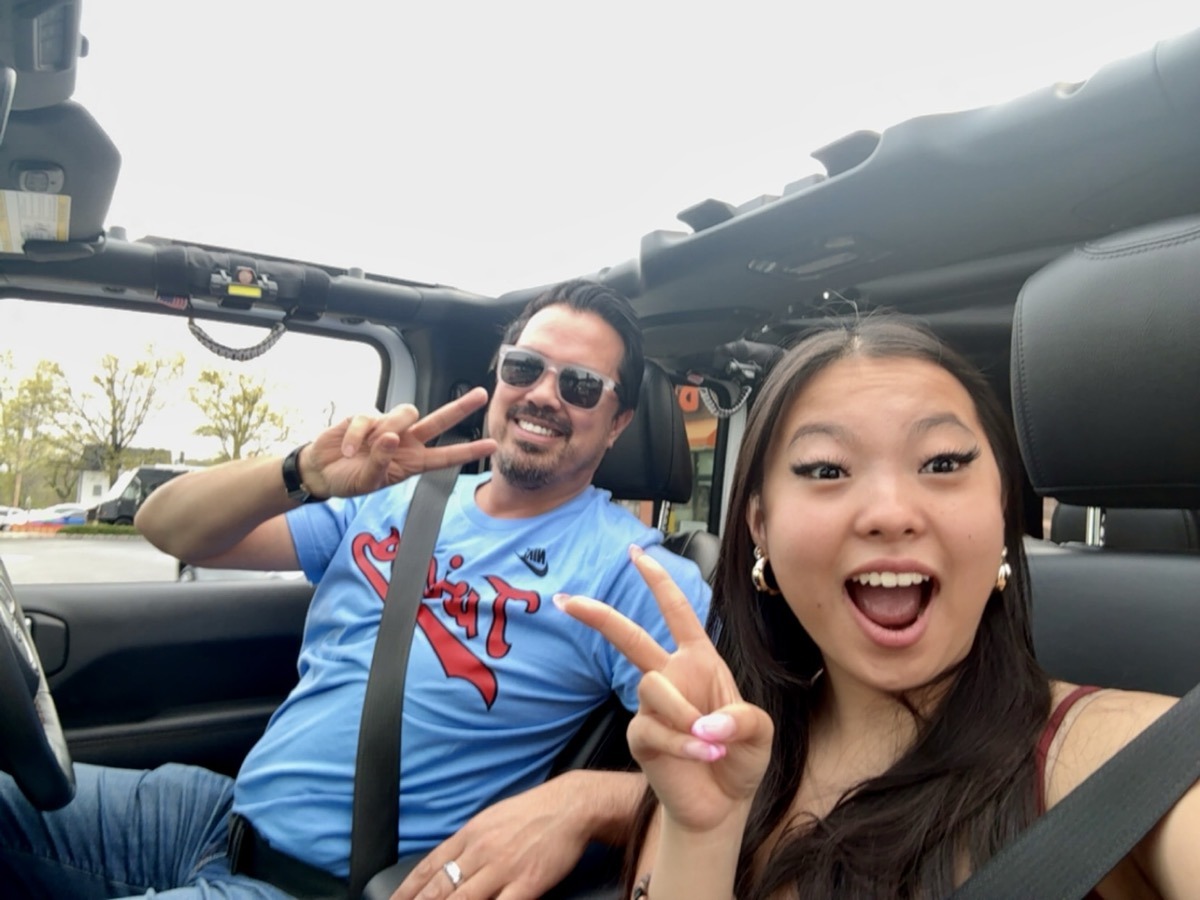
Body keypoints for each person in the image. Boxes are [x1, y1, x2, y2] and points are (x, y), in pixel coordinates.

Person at [0, 279, 711, 900]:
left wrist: (592, 800)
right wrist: (305, 470)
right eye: (525, 367)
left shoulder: (637, 574)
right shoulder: (393, 494)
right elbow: (167, 526)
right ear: (499, 378)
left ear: (618, 423)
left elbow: (739, 773)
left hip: (333, 884)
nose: (544, 394)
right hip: (218, 817)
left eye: (580, 385)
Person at [559, 315, 1199, 899]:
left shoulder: (1129, 760)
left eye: (943, 462)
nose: (891, 514)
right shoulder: (717, 756)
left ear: (1004, 510)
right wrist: (703, 833)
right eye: (827, 469)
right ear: (760, 525)